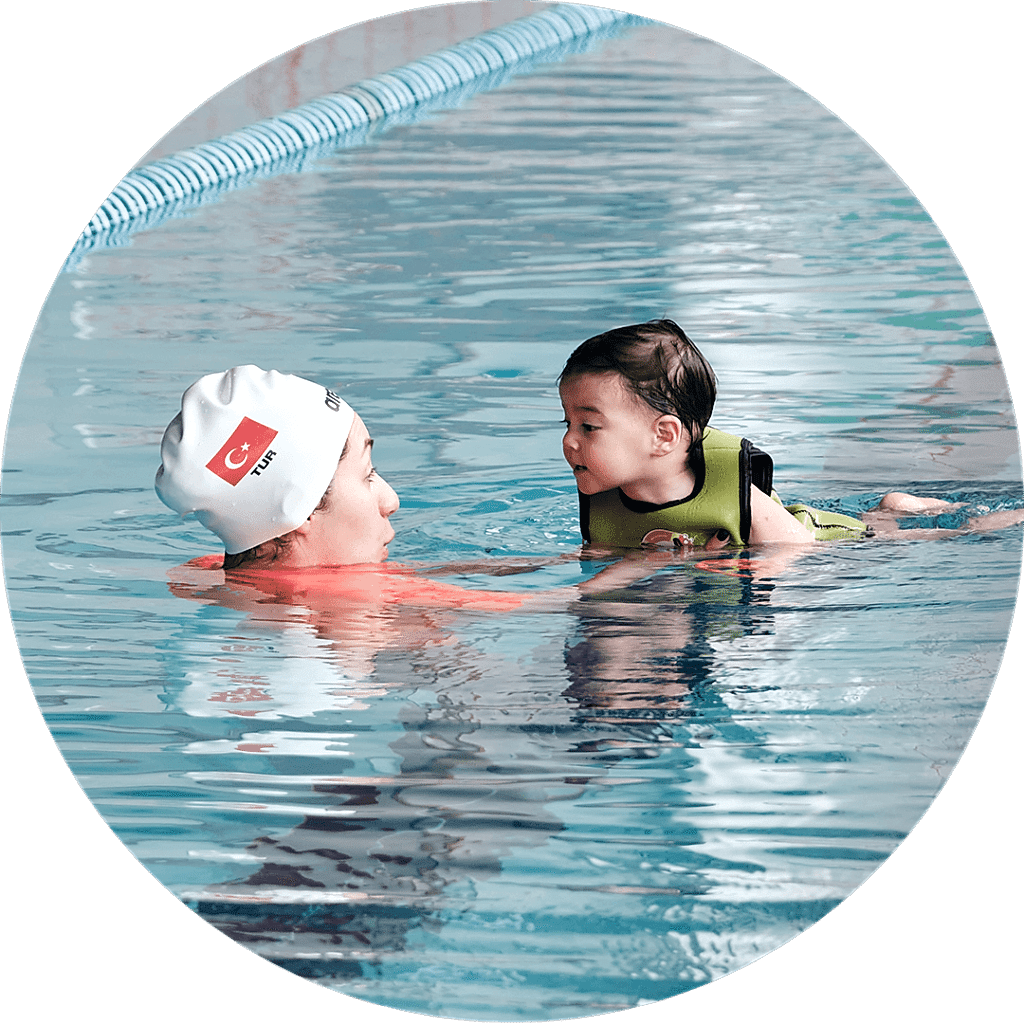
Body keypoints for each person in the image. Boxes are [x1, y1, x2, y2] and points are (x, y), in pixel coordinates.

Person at [558, 319, 1024, 550]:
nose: (570, 442)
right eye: (567, 423)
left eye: (589, 427)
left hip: (829, 538)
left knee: (931, 537)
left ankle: (986, 518)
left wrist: (725, 567)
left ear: (664, 436)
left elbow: (799, 557)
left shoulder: (739, 498)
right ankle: (891, 506)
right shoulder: (606, 499)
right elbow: (602, 559)